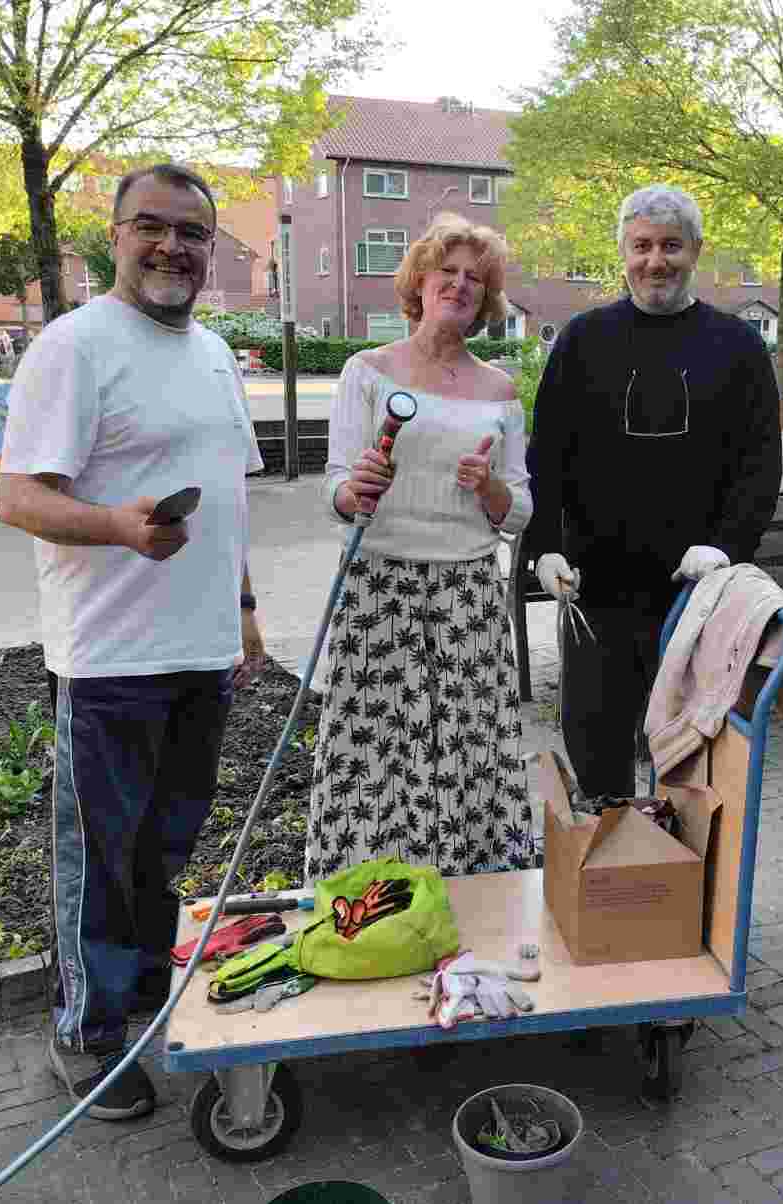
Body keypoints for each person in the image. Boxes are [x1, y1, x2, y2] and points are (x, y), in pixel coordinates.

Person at [0, 163, 266, 1121]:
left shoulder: (216, 354)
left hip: (199, 652)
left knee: (165, 844)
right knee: (101, 855)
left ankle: (141, 993)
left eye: (192, 233)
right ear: (111, 237)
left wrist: (240, 608)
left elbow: (224, 493)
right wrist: (117, 526)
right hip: (108, 658)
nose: (172, 247)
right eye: (151, 226)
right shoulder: (74, 348)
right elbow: (16, 495)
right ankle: (84, 1037)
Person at [524, 183, 782, 800]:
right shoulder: (584, 340)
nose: (655, 260)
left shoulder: (739, 347)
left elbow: (760, 465)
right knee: (597, 750)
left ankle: (682, 885)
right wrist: (545, 548)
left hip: (699, 596)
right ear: (623, 252)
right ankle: (611, 876)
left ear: (695, 251)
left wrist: (727, 547)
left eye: (671, 245)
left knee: (693, 760)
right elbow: (547, 456)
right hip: (598, 596)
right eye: (641, 246)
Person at [307, 212, 533, 880]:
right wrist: (356, 490)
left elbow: (519, 511)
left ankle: (472, 894)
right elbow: (335, 488)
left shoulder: (499, 390)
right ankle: (370, 899)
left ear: (486, 298)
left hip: (467, 592)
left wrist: (489, 487)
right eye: (448, 273)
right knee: (377, 754)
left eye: (475, 279)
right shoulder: (367, 372)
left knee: (469, 751)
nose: (460, 286)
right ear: (421, 282)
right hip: (382, 589)